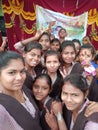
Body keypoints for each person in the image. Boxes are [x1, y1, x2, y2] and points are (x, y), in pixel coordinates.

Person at [0, 51, 42, 130]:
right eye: (12, 72)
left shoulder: (24, 89)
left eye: (22, 71)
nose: (19, 77)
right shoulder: (1, 107)